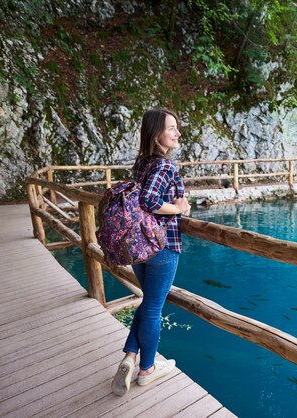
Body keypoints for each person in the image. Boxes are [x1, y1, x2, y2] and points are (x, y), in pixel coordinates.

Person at [111, 108, 191, 396]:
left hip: (139, 247)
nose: (177, 133)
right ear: (156, 135)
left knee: (148, 305)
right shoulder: (165, 166)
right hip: (163, 246)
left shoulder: (142, 164)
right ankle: (147, 369)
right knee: (154, 309)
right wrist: (180, 209)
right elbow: (149, 200)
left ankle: (130, 356)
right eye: (171, 128)